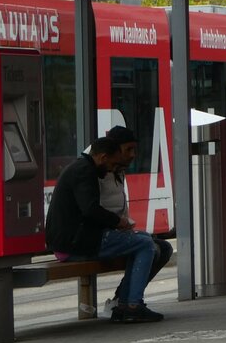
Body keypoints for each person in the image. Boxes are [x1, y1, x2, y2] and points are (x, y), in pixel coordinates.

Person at [45, 135, 164, 324]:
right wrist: (118, 222)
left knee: (141, 239)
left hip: (73, 239)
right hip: (74, 243)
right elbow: (90, 209)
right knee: (144, 243)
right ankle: (132, 305)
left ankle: (125, 304)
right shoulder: (85, 172)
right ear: (102, 157)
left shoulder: (82, 168)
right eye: (113, 164)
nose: (112, 170)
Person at [98, 125, 173, 314]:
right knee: (146, 245)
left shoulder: (118, 171)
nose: (133, 155)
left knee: (163, 247)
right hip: (101, 234)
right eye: (128, 150)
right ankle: (131, 303)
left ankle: (120, 300)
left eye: (134, 149)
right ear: (113, 151)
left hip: (116, 231)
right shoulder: (98, 171)